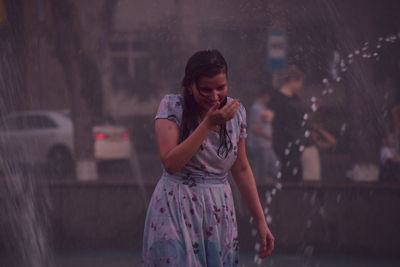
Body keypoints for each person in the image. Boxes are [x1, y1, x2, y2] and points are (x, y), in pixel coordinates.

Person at [142, 50, 274, 266]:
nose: (214, 96)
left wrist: (261, 222)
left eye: (220, 87)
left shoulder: (236, 113)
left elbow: (241, 168)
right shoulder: (173, 107)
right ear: (189, 85)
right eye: (205, 90)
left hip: (218, 209)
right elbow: (171, 163)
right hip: (177, 205)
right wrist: (207, 125)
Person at [269, 65, 314, 182]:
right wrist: (267, 116)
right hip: (283, 139)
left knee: (296, 168)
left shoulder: (295, 98)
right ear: (293, 81)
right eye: (300, 83)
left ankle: (295, 194)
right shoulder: (278, 97)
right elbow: (271, 113)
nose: (300, 86)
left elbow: (300, 118)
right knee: (288, 167)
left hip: (296, 140)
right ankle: (287, 194)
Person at [248, 91, 279, 183]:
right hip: (260, 145)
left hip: (266, 145)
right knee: (261, 171)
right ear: (265, 96)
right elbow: (255, 128)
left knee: (274, 167)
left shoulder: (263, 108)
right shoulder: (256, 108)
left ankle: (269, 186)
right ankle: (260, 191)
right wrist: (267, 136)